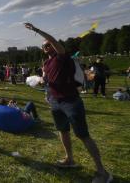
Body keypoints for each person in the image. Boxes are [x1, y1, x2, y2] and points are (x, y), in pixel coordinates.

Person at [24, 22, 112, 183]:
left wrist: (36, 30)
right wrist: (41, 83)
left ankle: (102, 172)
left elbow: (52, 40)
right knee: (62, 131)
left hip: (71, 101)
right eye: (44, 46)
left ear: (55, 45)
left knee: (83, 135)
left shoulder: (62, 57)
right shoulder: (46, 63)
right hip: (55, 102)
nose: (47, 47)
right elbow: (47, 80)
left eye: (49, 44)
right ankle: (69, 159)